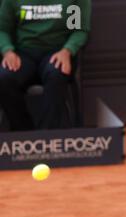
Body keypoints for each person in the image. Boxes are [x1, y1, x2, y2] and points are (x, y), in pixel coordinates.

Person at [0, 0, 91, 131]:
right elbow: (2, 29)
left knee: (56, 73)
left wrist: (67, 50)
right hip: (23, 54)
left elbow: (79, 30)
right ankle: (24, 134)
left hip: (57, 52)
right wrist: (7, 51)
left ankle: (46, 136)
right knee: (4, 78)